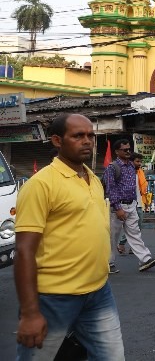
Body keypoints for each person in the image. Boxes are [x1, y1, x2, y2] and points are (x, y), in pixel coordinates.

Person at [15, 113, 125, 360]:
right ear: (57, 140)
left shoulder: (93, 179)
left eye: (90, 136)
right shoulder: (40, 185)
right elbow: (24, 251)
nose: (87, 141)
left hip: (98, 292)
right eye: (78, 136)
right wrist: (31, 313)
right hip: (54, 297)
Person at [104, 138, 155, 274]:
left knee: (135, 234)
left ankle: (145, 260)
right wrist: (117, 208)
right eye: (125, 150)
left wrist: (135, 203)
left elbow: (133, 186)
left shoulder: (131, 166)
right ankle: (108, 263)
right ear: (117, 152)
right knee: (112, 237)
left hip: (131, 206)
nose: (128, 152)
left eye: (129, 149)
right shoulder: (112, 168)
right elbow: (111, 189)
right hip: (117, 208)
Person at [119, 152, 150, 254]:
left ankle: (132, 246)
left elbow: (143, 187)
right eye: (137, 161)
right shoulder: (126, 172)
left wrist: (146, 201)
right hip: (127, 204)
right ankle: (121, 245)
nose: (139, 163)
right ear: (131, 162)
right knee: (127, 228)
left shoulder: (140, 172)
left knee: (138, 226)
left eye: (140, 161)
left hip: (138, 202)